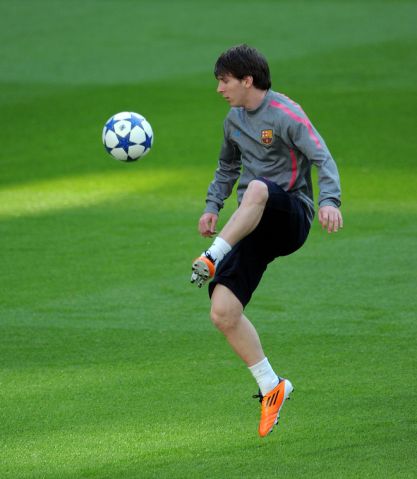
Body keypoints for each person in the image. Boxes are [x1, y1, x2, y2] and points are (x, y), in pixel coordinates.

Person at [190, 44, 342, 437]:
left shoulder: (287, 114)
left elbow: (323, 157)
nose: (219, 89)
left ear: (247, 80)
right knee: (223, 311)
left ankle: (212, 255)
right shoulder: (233, 121)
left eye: (224, 81)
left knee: (258, 187)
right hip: (253, 222)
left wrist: (329, 200)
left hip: (292, 214)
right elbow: (227, 166)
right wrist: (212, 205)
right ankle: (271, 385)